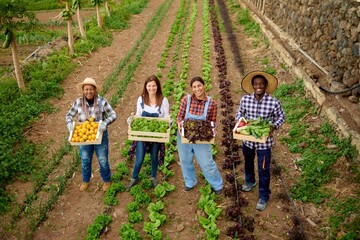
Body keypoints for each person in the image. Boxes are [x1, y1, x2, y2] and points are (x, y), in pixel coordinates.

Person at [235, 71, 285, 211]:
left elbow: (281, 116)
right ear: (252, 86)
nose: (259, 86)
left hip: (264, 142)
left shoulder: (273, 102)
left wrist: (273, 126)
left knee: (263, 169)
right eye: (256, 84)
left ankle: (263, 196)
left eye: (261, 84)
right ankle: (250, 181)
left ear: (265, 86)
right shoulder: (245, 100)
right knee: (248, 161)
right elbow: (239, 113)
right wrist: (241, 121)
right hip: (248, 140)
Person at [66, 78, 117, 192]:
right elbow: (69, 115)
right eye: (86, 89)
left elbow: (113, 114)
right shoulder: (78, 102)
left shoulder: (102, 101)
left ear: (95, 90)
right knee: (85, 159)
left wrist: (105, 123)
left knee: (103, 159)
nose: (88, 91)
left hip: (100, 135)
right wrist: (70, 125)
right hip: (84, 137)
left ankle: (106, 180)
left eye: (91, 89)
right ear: (83, 90)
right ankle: (86, 180)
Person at [176, 76, 223, 195]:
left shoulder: (211, 103)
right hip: (185, 135)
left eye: (199, 86)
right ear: (192, 89)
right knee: (185, 160)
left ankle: (216, 184)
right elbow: (180, 117)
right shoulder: (186, 100)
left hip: (201, 137)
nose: (197, 89)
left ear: (204, 86)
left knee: (206, 162)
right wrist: (180, 124)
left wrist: (213, 130)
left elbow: (212, 122)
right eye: (194, 87)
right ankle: (190, 182)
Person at [126, 75, 170, 191]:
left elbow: (166, 117)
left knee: (154, 157)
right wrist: (132, 119)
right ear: (146, 87)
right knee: (139, 158)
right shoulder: (141, 99)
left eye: (154, 85)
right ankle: (134, 178)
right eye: (149, 86)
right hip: (143, 134)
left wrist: (169, 123)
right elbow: (138, 115)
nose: (152, 88)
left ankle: (153, 177)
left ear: (157, 86)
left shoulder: (163, 100)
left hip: (156, 135)